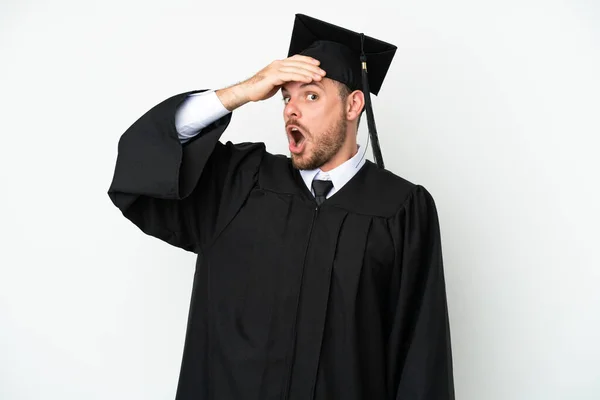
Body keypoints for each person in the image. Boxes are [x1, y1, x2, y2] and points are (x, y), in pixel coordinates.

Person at [108, 13, 454, 400]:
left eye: (310, 95)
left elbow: (422, 357)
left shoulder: (401, 210)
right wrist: (243, 91)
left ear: (354, 104)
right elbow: (144, 161)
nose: (291, 109)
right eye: (286, 96)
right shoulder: (240, 182)